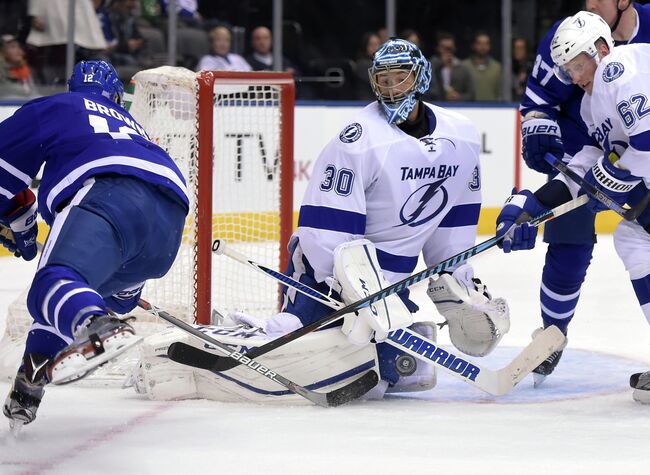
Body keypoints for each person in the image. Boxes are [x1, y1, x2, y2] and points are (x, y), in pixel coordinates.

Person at [222, 39, 510, 398]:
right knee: (291, 342)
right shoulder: (358, 139)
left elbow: (454, 217)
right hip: (326, 278)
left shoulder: (461, 135)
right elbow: (327, 228)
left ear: (421, 78)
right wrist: (351, 292)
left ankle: (378, 349)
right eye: (383, 80)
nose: (391, 89)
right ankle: (247, 339)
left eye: (400, 79)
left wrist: (454, 275)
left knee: (384, 378)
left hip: (392, 285)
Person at [0, 60, 189, 428]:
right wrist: (22, 221)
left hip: (110, 195)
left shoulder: (60, 106)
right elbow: (124, 297)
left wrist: (19, 221)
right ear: (118, 98)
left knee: (51, 285)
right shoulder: (136, 129)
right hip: (168, 227)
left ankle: (99, 327)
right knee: (73, 295)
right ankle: (31, 381)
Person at [495, 11, 650, 404]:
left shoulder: (619, 69)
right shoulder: (590, 105)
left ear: (600, 49)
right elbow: (583, 169)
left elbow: (646, 143)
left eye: (579, 65)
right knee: (634, 240)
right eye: (568, 71)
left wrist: (613, 176)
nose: (576, 77)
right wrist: (529, 205)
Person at [427, 32, 474, 102]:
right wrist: (439, 65)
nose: (448, 51)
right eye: (444, 48)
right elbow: (427, 91)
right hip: (436, 106)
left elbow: (471, 94)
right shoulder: (429, 66)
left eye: (450, 48)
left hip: (458, 107)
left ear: (454, 48)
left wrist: (460, 97)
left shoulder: (462, 68)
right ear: (438, 48)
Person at [463, 31, 502, 101]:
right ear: (473, 45)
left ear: (489, 46)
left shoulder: (497, 67)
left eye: (486, 44)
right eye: (479, 43)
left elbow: (500, 93)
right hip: (468, 109)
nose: (483, 47)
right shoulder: (464, 66)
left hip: (492, 109)